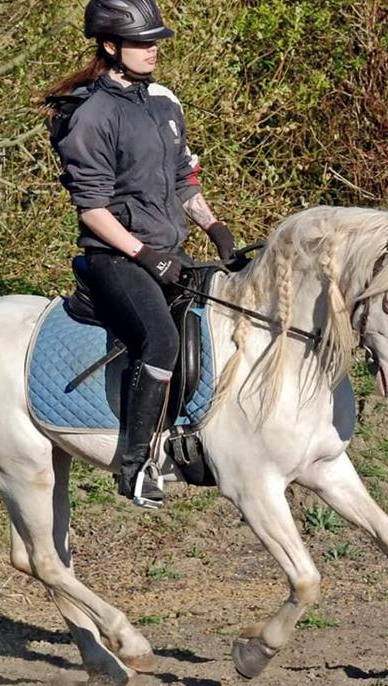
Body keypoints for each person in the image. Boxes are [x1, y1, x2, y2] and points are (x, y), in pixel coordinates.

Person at [41, 0, 235, 508]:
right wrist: (146, 256)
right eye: (142, 42)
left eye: (156, 41)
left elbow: (182, 180)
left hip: (168, 249)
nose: (153, 50)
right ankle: (134, 466)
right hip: (115, 259)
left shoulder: (163, 104)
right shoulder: (90, 114)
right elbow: (93, 210)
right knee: (160, 340)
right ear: (110, 45)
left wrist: (215, 227)